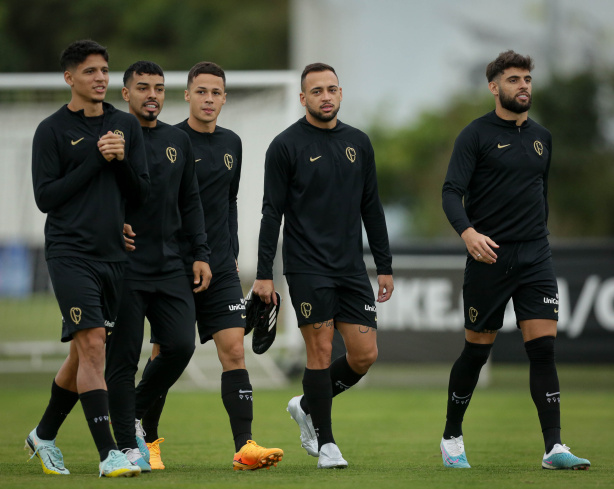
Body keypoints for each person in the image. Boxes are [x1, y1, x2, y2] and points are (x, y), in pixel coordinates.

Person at [440, 50, 590, 471]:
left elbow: (538, 197)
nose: (523, 85)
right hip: (490, 257)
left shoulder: (543, 136)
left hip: (536, 257)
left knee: (543, 351)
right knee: (476, 352)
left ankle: (554, 447)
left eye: (526, 79)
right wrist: (468, 233)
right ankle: (452, 434)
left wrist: (538, 238)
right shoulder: (475, 135)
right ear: (494, 86)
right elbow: (452, 192)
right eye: (513, 79)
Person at [136, 61, 283, 471]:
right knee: (166, 351)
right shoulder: (169, 140)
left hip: (219, 266)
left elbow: (229, 201)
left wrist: (231, 249)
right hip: (173, 266)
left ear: (224, 98)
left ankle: (245, 447)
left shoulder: (232, 143)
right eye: (201, 91)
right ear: (186, 95)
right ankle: (145, 439)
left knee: (234, 350)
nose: (209, 99)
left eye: (216, 93)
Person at [253, 63, 394, 469]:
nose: (325, 96)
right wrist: (264, 273)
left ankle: (306, 404)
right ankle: (328, 446)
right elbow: (271, 213)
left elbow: (372, 206)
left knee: (365, 354)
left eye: (332, 89)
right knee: (319, 350)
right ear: (303, 99)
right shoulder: (285, 145)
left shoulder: (359, 142)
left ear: (341, 93)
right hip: (307, 266)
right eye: (316, 91)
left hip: (351, 268)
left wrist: (383, 264)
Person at [27, 40, 149, 477]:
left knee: (84, 354)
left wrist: (118, 163)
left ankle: (42, 435)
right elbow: (46, 198)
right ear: (70, 78)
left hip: (114, 256)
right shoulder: (52, 130)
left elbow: (140, 193)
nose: (100, 78)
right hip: (69, 252)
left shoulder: (125, 127)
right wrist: (97, 160)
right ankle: (109, 454)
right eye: (91, 71)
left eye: (104, 70)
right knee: (93, 344)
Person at [104, 61, 211, 472]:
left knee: (181, 345)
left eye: (159, 88)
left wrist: (200, 253)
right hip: (125, 265)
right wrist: (114, 227)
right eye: (143, 87)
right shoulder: (111, 136)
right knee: (123, 358)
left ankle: (131, 411)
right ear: (125, 93)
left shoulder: (176, 140)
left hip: (170, 264)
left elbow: (191, 201)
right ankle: (127, 447)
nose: (153, 94)